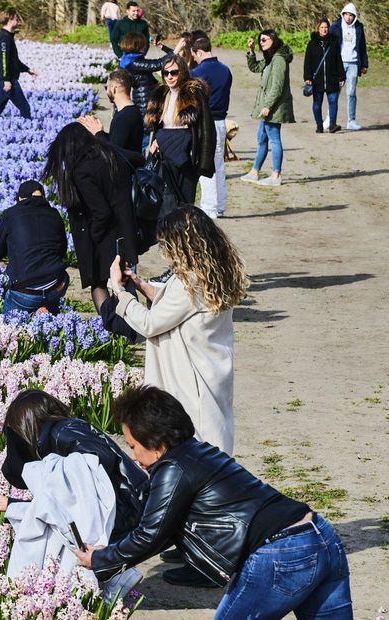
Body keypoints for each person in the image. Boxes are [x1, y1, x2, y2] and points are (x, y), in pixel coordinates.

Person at [74, 385, 353, 611]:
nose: (133, 456)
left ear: (156, 443)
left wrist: (99, 560)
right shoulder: (200, 452)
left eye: (133, 446)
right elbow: (165, 529)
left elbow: (151, 535)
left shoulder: (173, 469)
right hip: (322, 536)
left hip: (282, 552)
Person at [106, 206, 245, 455]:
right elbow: (183, 308)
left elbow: (150, 324)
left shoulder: (188, 282)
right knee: (214, 432)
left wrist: (119, 292)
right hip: (211, 367)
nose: (164, 252)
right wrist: (144, 287)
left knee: (198, 442)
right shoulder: (213, 272)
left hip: (190, 377)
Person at [0, 389, 148, 542]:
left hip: (128, 508)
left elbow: (96, 465)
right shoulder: (54, 437)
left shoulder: (63, 431)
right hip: (121, 508)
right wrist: (10, 504)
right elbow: (65, 499)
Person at [43, 123, 138, 313]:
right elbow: (138, 158)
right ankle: (130, 328)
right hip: (125, 232)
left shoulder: (81, 169)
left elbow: (101, 211)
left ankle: (110, 325)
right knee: (125, 282)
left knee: (99, 283)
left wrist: (93, 237)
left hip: (103, 239)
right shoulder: (109, 155)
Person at [144, 55, 216, 215]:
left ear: (182, 72)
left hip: (187, 153)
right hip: (164, 153)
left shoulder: (193, 93)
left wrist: (204, 162)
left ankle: (185, 237)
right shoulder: (160, 95)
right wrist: (155, 141)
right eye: (166, 73)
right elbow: (156, 126)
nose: (169, 76)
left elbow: (207, 128)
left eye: (174, 72)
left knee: (185, 203)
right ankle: (168, 237)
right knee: (166, 201)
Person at [0, 181, 69, 315]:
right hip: (56, 284)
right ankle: (49, 318)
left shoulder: (10, 214)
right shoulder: (54, 214)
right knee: (50, 312)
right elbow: (62, 250)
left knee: (8, 328)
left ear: (20, 198)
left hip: (25, 291)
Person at [242, 30, 294, 186]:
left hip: (274, 107)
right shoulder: (271, 57)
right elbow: (255, 68)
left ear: (273, 39)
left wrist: (267, 105)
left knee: (274, 138)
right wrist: (251, 51)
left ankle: (276, 175)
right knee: (261, 138)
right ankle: (254, 172)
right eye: (260, 41)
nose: (261, 42)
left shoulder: (278, 59)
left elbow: (277, 86)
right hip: (269, 106)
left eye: (264, 39)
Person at [190, 34, 232, 218]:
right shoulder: (225, 70)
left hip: (205, 122)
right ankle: (220, 205)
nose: (194, 59)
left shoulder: (198, 72)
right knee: (219, 164)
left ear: (199, 51)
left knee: (205, 165)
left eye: (194, 55)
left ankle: (209, 208)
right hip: (221, 120)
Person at [118, 31, 175, 145]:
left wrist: (162, 47)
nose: (145, 47)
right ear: (137, 45)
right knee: (145, 139)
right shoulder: (134, 63)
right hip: (144, 104)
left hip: (144, 101)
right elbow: (159, 64)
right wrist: (176, 50)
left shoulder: (129, 59)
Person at [0, 10, 38, 121]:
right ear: (10, 20)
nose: (18, 20)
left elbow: (13, 60)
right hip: (8, 81)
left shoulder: (8, 36)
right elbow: (4, 60)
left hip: (7, 80)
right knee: (25, 108)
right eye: (16, 18)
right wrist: (5, 80)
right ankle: (28, 128)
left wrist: (27, 70)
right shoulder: (4, 38)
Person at [78, 69, 145, 159]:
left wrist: (98, 133)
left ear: (113, 88)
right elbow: (116, 140)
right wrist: (98, 132)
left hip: (126, 171)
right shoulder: (129, 112)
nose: (106, 91)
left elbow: (113, 152)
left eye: (106, 87)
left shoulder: (124, 117)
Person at [331, 3, 369, 130]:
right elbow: (329, 47)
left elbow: (362, 47)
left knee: (351, 93)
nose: (348, 17)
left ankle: (351, 120)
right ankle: (330, 119)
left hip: (353, 63)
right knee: (335, 92)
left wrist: (364, 64)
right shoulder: (335, 27)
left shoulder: (358, 28)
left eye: (351, 15)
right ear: (343, 14)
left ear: (355, 16)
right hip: (339, 64)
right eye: (346, 14)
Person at [307, 19, 347, 133]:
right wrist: (307, 77)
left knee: (333, 102)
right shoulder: (312, 44)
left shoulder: (334, 43)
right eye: (322, 27)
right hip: (317, 80)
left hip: (332, 78)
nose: (324, 29)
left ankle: (332, 125)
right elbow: (307, 62)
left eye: (326, 27)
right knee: (316, 104)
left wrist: (342, 76)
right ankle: (319, 125)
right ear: (318, 29)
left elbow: (338, 60)